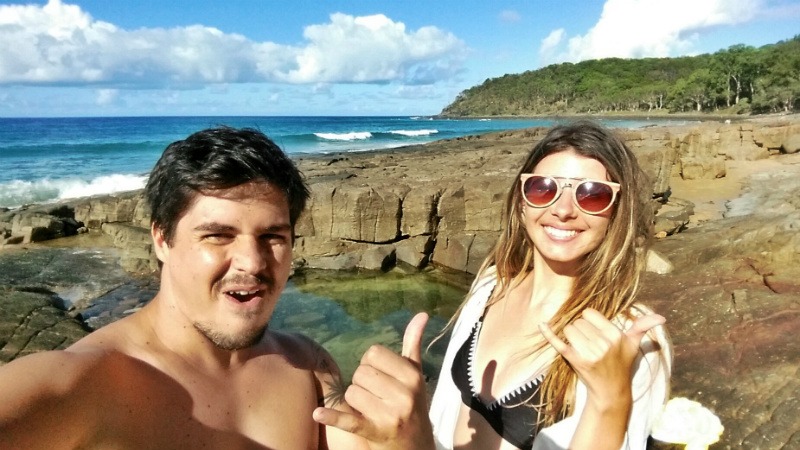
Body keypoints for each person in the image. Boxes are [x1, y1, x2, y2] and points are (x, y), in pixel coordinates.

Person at [0, 127, 433, 449]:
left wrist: (411, 438)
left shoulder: (308, 368)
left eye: (273, 237)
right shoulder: (82, 382)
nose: (252, 262)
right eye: (218, 235)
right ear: (162, 240)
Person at [428, 120, 672, 450]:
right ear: (521, 200)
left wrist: (611, 399)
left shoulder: (627, 338)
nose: (562, 210)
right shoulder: (489, 286)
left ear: (617, 211)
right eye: (543, 188)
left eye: (593, 195)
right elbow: (444, 412)